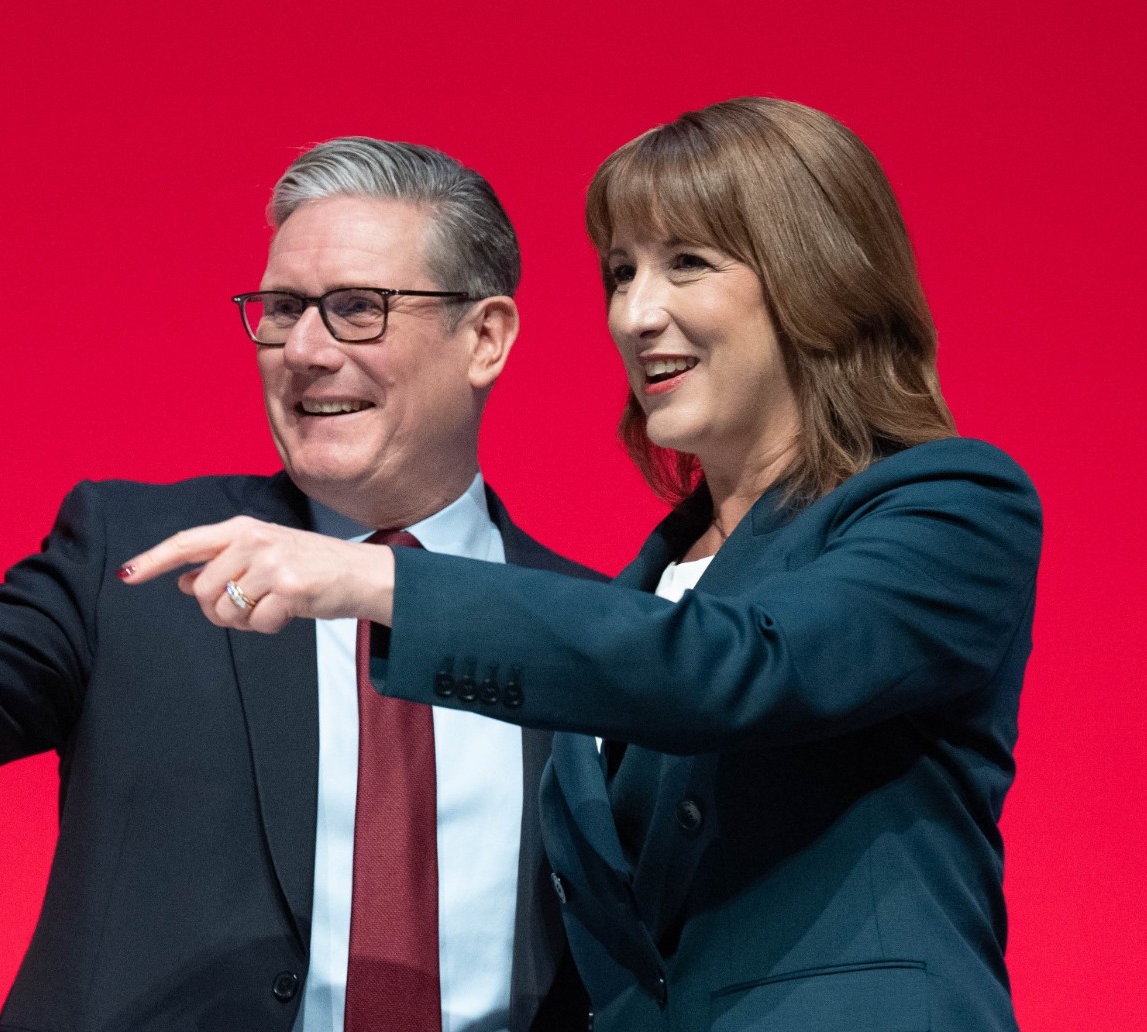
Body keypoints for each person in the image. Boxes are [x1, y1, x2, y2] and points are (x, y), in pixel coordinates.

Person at [125, 98, 1042, 1032]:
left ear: (820, 276)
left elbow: (744, 663)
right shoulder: (643, 589)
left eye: (687, 263)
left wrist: (372, 577)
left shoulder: (953, 505)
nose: (636, 314)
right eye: (621, 273)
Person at [0, 137, 597, 1032]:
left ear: (484, 338)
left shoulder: (598, 631)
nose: (305, 349)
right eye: (283, 308)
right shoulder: (138, 556)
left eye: (358, 308)